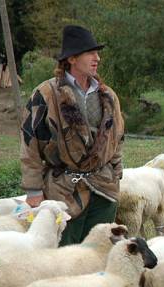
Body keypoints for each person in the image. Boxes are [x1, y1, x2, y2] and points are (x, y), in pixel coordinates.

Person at [20, 25, 124, 246]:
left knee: (100, 254)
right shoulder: (45, 94)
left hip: (103, 189)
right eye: (91, 53)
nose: (97, 58)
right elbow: (30, 143)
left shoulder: (108, 95)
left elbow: (118, 137)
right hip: (63, 191)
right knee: (66, 257)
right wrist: (33, 190)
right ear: (72, 59)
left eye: (98, 53)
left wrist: (116, 171)